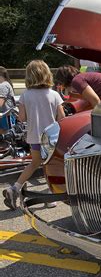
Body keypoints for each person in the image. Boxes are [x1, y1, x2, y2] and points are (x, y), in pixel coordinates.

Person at [3, 60, 65, 210]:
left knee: (35, 163)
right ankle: (50, 198)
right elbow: (62, 118)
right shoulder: (54, 94)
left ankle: (15, 188)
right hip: (51, 138)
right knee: (51, 166)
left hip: (34, 137)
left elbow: (22, 118)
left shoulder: (25, 95)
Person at [0, 66, 16, 135]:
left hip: (5, 116)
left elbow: (0, 102)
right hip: (6, 115)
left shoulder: (3, 85)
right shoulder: (6, 84)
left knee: (5, 137)